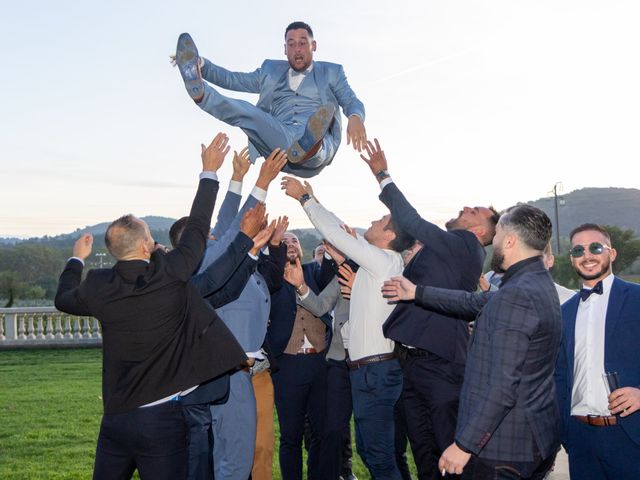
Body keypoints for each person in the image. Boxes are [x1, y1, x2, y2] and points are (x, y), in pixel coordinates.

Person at [54, 133, 248, 480]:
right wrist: (209, 172)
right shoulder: (170, 274)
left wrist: (75, 259)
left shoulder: (98, 286)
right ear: (146, 246)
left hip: (114, 419)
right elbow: (199, 228)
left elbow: (63, 298)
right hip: (160, 421)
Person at [383, 205, 562, 479]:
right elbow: (475, 301)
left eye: (499, 234)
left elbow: (503, 386)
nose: (495, 242)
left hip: (505, 449)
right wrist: (417, 293)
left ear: (511, 241)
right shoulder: (535, 283)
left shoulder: (517, 295)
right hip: (532, 439)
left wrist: (464, 445)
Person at [360, 138, 499, 479]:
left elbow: (415, 222)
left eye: (474, 210)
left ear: (479, 230)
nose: (466, 207)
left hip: (441, 365)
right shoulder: (448, 253)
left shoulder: (466, 245)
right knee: (424, 452)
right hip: (414, 363)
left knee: (448, 451)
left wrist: (383, 175)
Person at [281, 175, 415, 479]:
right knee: (369, 452)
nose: (373, 220)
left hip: (376, 373)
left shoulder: (383, 261)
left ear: (390, 236)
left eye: (381, 220)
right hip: (363, 370)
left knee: (380, 456)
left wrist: (305, 198)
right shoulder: (374, 269)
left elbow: (335, 231)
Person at [174, 21, 366, 178]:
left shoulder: (332, 72)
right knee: (249, 112)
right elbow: (233, 79)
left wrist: (355, 117)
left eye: (302, 43)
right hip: (278, 138)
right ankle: (201, 93)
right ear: (285, 49)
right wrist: (199, 64)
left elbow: (350, 100)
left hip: (315, 149)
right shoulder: (270, 70)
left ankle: (310, 146)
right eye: (291, 44)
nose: (297, 49)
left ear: (313, 46)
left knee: (318, 144)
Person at [555, 223, 640, 479]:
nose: (587, 256)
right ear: (572, 259)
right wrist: (565, 431)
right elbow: (560, 375)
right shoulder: (565, 312)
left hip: (630, 437)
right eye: (578, 250)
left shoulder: (637, 299)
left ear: (611, 253)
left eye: (595, 247)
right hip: (581, 442)